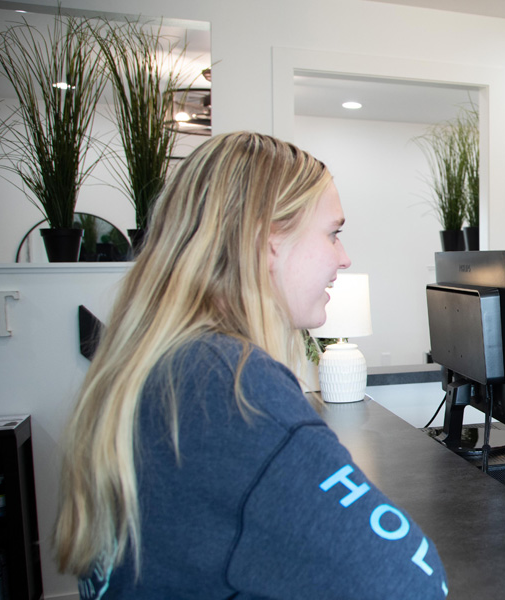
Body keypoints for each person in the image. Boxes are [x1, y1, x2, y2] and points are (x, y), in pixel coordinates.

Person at [53, 132, 448, 599]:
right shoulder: (230, 384)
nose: (343, 258)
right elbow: (412, 581)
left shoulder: (159, 364)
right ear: (267, 239)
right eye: (333, 232)